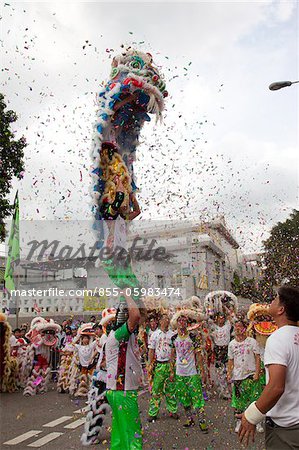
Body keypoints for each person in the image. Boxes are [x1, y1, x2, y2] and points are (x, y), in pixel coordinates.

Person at [238, 285, 299, 449]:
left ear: (281, 309)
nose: (270, 302)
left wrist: (251, 416)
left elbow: (276, 387)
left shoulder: (278, 338)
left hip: (286, 428)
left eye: (275, 299)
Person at [105, 293, 145, 450]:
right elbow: (135, 316)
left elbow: (139, 317)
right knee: (132, 435)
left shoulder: (124, 337)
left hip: (118, 392)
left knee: (120, 435)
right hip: (123, 392)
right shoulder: (118, 336)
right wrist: (127, 292)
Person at [170, 312, 208, 433]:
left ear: (187, 323)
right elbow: (172, 355)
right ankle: (189, 419)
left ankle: (202, 421)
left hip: (192, 373)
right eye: (179, 321)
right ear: (176, 323)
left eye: (184, 321)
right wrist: (171, 371)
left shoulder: (193, 337)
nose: (181, 323)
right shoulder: (173, 338)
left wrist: (202, 371)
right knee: (184, 398)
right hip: (180, 373)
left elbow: (198, 355)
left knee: (197, 398)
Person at [147, 313, 178, 422]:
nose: (167, 321)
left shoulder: (173, 334)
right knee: (157, 390)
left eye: (168, 319)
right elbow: (151, 350)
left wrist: (173, 364)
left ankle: (173, 410)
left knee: (171, 389)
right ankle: (153, 412)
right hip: (159, 365)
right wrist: (150, 364)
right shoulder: (155, 334)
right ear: (160, 321)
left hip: (169, 365)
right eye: (165, 319)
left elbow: (174, 351)